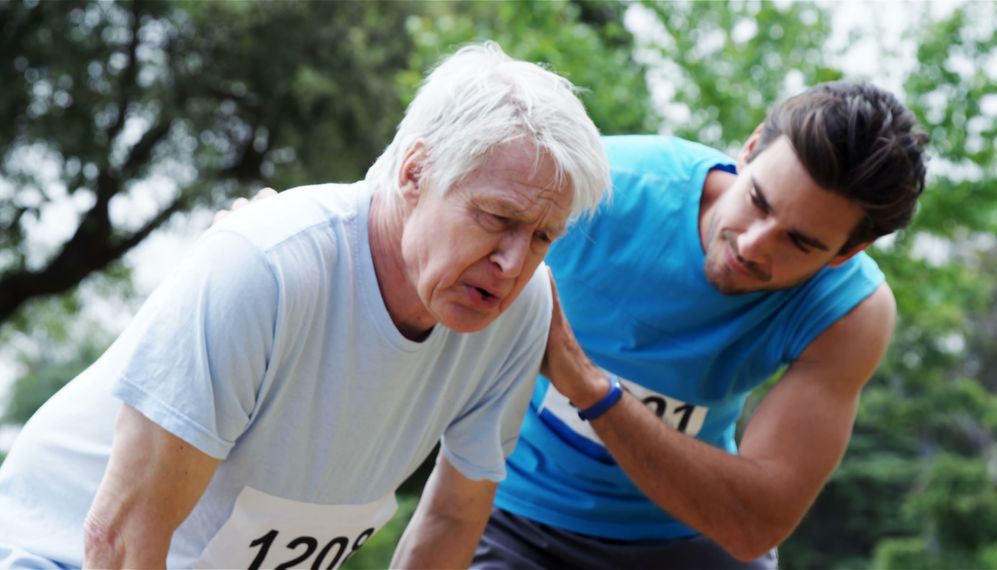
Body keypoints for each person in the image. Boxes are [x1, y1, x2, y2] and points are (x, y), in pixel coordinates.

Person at [0, 42, 609, 569]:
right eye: (497, 217)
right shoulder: (265, 265)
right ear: (416, 170)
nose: (512, 262)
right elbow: (119, 540)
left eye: (541, 236)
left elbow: (452, 519)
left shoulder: (521, 308)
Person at [471, 82, 929, 568]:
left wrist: (590, 388)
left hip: (696, 530)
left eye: (799, 241)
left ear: (847, 253)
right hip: (512, 507)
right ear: (749, 150)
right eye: (759, 201)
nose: (753, 245)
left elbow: (754, 523)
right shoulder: (597, 186)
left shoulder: (849, 311)